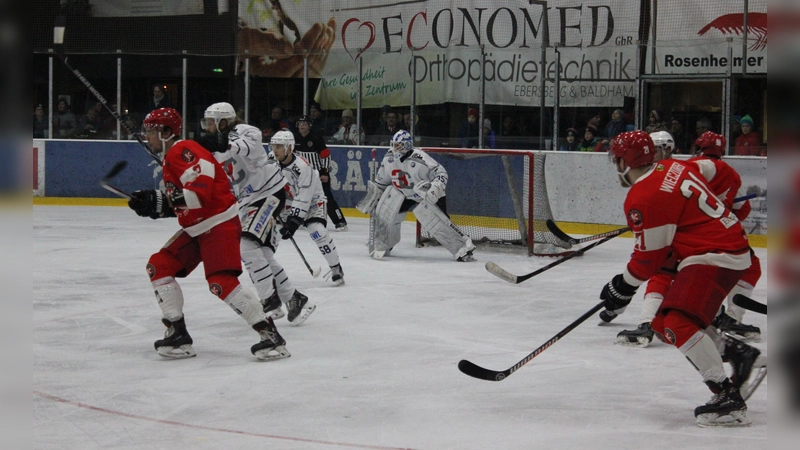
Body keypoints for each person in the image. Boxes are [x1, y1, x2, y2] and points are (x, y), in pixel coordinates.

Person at [602, 130, 755, 426]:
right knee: (662, 324)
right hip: (721, 246)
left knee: (678, 324)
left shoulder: (644, 196)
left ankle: (727, 396)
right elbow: (712, 168)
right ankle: (737, 351)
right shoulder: (673, 166)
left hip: (715, 254)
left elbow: (649, 260)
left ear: (625, 160)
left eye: (617, 158)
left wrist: (622, 287)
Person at [125, 107, 289, 361]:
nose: (148, 137)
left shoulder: (182, 150)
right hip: (198, 227)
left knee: (220, 283)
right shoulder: (173, 155)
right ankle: (177, 334)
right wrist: (155, 204)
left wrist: (162, 200)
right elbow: (185, 201)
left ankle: (271, 337)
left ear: (167, 132)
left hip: (218, 224)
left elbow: (199, 193)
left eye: (151, 131)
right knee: (159, 265)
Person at [199, 102, 315, 326]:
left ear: (224, 121)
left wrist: (219, 142)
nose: (208, 127)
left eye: (212, 122)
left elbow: (244, 147)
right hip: (249, 201)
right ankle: (294, 298)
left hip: (268, 193)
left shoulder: (245, 131)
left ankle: (269, 299)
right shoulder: (213, 147)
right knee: (260, 252)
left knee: (246, 245)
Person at [356, 130, 476, 262]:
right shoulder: (389, 158)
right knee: (385, 205)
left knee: (437, 223)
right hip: (403, 194)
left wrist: (435, 188)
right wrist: (374, 197)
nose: (395, 148)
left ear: (407, 145)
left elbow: (441, 172)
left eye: (398, 145)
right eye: (394, 145)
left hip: (425, 194)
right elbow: (382, 183)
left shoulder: (420, 158)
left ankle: (462, 248)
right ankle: (384, 242)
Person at [269, 130, 345, 285]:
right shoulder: (270, 161)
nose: (274, 150)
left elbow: (304, 197)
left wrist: (293, 222)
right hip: (288, 203)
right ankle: (265, 269)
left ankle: (335, 267)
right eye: (273, 146)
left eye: (279, 146)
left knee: (318, 231)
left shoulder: (303, 167)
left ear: (289, 148)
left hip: (312, 202)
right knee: (272, 233)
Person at [294, 114, 348, 231]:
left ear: (310, 126)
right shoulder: (296, 138)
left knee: (326, 197)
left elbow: (326, 156)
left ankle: (340, 221)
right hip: (303, 175)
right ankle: (302, 219)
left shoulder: (316, 138)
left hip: (318, 172)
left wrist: (324, 172)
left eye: (305, 123)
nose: (302, 125)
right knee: (301, 196)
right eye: (300, 123)